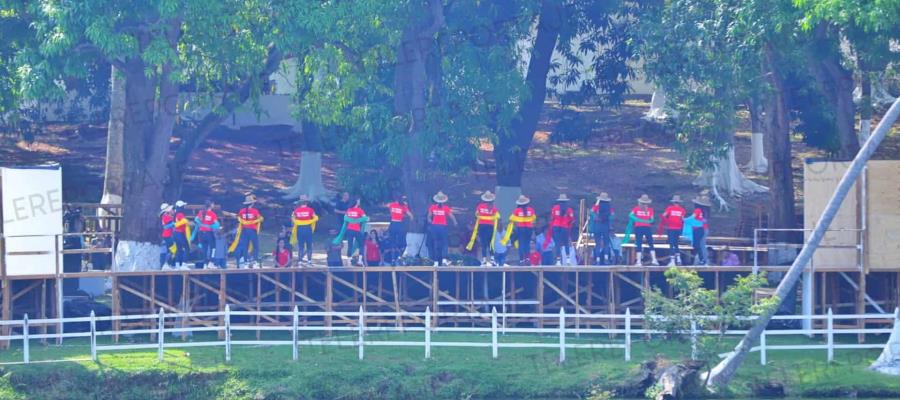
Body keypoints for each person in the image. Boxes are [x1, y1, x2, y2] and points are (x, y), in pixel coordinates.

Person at [466, 191, 500, 266]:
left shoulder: (480, 206)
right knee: (491, 243)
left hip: (482, 226)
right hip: (490, 226)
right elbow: (498, 217)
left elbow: (476, 215)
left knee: (483, 243)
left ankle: (484, 260)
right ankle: (492, 259)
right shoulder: (493, 208)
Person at [502, 195, 536, 265]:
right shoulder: (530, 210)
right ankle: (527, 258)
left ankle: (521, 259)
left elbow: (511, 218)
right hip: (529, 228)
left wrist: (518, 221)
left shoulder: (517, 210)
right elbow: (534, 218)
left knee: (521, 244)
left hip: (521, 228)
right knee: (527, 243)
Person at [232, 193, 263, 268]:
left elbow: (238, 217)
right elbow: (259, 218)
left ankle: (245, 262)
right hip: (252, 230)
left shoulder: (242, 211)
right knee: (255, 246)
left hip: (244, 230)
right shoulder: (255, 211)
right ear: (252, 203)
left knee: (245, 246)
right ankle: (255, 261)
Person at [427, 191, 457, 266]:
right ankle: (444, 260)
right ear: (444, 200)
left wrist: (431, 223)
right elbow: (451, 216)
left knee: (436, 243)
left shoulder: (432, 207)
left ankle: (436, 262)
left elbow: (429, 217)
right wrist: (455, 222)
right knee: (444, 243)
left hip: (434, 227)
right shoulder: (446, 208)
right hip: (443, 227)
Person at [630, 194, 658, 266]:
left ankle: (638, 261)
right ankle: (654, 259)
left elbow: (630, 215)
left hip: (638, 227)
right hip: (647, 227)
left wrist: (637, 220)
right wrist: (647, 221)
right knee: (650, 243)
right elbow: (652, 220)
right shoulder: (650, 210)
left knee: (639, 243)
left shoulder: (636, 208)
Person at [660, 194, 687, 266]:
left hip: (671, 228)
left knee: (671, 244)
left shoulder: (670, 208)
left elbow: (663, 215)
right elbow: (683, 219)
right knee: (676, 243)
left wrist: (667, 221)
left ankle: (672, 261)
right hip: (678, 228)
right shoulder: (682, 210)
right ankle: (678, 259)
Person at [291, 195, 319, 265]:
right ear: (306, 203)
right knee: (309, 245)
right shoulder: (310, 210)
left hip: (300, 229)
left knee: (301, 246)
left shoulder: (296, 210)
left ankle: (300, 261)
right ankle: (309, 260)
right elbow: (315, 217)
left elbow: (292, 219)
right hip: (307, 228)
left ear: (300, 203)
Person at [549, 194, 576, 265]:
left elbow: (552, 218)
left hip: (556, 226)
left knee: (557, 243)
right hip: (565, 227)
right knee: (566, 243)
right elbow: (572, 220)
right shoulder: (569, 209)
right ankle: (568, 260)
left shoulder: (555, 208)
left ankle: (558, 261)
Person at [387, 194, 414, 262]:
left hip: (393, 223)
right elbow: (411, 216)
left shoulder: (392, 205)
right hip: (399, 224)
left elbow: (388, 209)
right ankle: (399, 257)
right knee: (401, 242)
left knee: (393, 242)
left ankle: (393, 259)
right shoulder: (403, 206)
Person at [194, 200, 221, 269]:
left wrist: (201, 224)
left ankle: (205, 264)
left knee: (204, 249)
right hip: (208, 233)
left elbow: (196, 220)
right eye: (213, 204)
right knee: (213, 247)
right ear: (211, 205)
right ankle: (211, 262)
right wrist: (212, 226)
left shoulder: (201, 212)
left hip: (201, 233)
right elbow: (217, 224)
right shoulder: (212, 214)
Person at [589, 193, 614, 265]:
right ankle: (606, 259)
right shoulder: (609, 207)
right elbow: (612, 216)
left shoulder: (597, 206)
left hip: (597, 226)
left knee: (597, 243)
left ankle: (597, 259)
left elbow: (591, 212)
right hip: (605, 226)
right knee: (606, 243)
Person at [344, 198, 367, 266]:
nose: (359, 202)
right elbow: (365, 218)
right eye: (359, 200)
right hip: (356, 230)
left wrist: (352, 220)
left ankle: (349, 261)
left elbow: (345, 218)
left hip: (349, 230)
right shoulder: (360, 210)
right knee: (361, 244)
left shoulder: (349, 210)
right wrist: (358, 220)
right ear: (356, 201)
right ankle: (359, 260)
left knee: (350, 245)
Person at [171, 200, 192, 270]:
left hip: (175, 234)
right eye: (183, 206)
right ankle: (184, 264)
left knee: (179, 249)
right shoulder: (180, 214)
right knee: (187, 248)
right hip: (180, 233)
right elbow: (183, 221)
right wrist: (188, 222)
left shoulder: (175, 214)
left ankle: (177, 265)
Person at [691, 195, 711, 266]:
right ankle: (704, 260)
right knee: (702, 245)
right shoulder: (706, 211)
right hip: (705, 229)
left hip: (700, 229)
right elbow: (705, 221)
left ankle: (703, 260)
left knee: (700, 245)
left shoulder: (698, 211)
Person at [160, 203, 175, 269]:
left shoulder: (166, 216)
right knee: (171, 249)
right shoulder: (165, 216)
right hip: (167, 235)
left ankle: (168, 263)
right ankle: (166, 263)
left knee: (171, 249)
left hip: (168, 234)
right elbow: (167, 225)